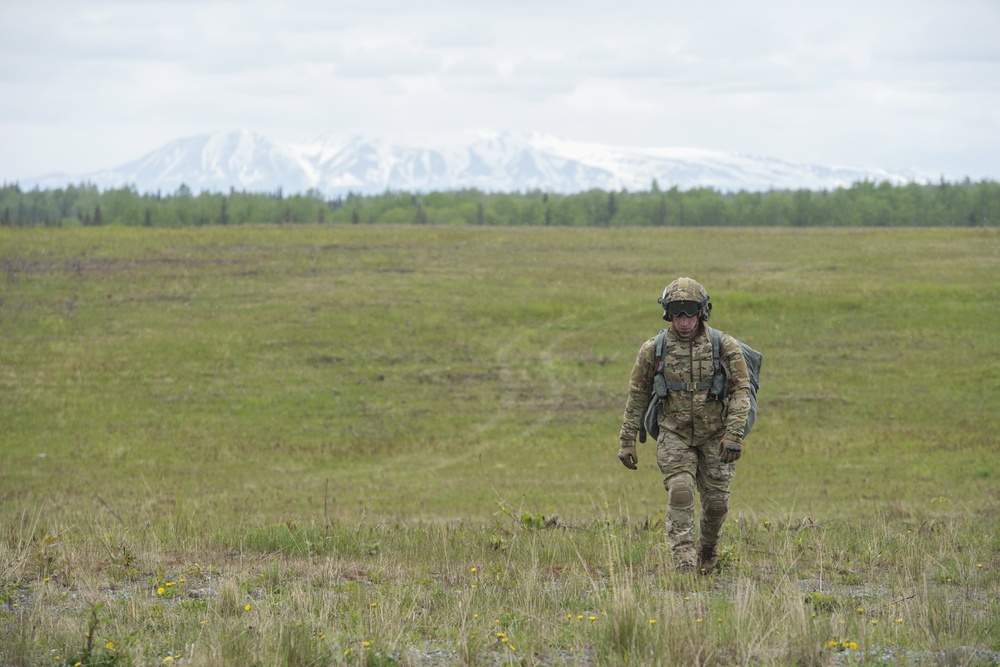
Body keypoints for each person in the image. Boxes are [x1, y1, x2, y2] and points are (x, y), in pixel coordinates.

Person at [617, 277, 751, 574]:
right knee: (681, 491)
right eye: (677, 312)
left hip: (716, 434)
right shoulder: (653, 349)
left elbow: (742, 391)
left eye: (690, 312)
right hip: (673, 432)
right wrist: (627, 440)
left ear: (702, 312)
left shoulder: (724, 346)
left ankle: (707, 549)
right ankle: (684, 564)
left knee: (716, 503)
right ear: (668, 314)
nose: (684, 320)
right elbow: (637, 396)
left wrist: (734, 433)